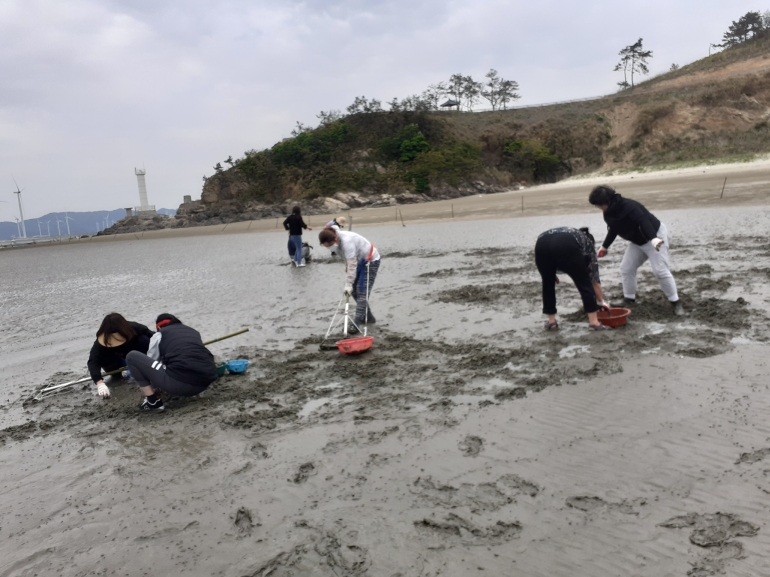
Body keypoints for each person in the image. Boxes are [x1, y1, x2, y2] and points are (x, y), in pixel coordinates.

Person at [588, 185, 684, 315]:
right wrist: (605, 246)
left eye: (599, 205)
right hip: (638, 242)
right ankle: (629, 299)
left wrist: (653, 238)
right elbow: (613, 229)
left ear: (608, 201)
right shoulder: (608, 212)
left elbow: (644, 222)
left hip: (655, 237)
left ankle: (676, 303)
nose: (598, 207)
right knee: (626, 268)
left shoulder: (630, 206)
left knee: (660, 271)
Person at [126, 313, 218, 411]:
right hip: (205, 382)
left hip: (181, 386)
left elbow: (150, 363)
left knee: (132, 356)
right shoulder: (192, 331)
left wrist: (152, 385)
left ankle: (152, 401)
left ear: (159, 328)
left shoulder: (159, 334)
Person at [535, 227, 611, 331]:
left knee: (547, 284)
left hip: (541, 243)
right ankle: (594, 323)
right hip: (566, 245)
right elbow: (594, 279)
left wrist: (550, 274)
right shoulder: (588, 244)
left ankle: (551, 322)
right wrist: (601, 302)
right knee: (584, 283)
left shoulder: (573, 234)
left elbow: (545, 260)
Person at [319, 227, 380, 334]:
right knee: (353, 291)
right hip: (357, 262)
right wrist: (347, 266)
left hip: (370, 260)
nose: (329, 248)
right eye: (326, 247)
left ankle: (356, 323)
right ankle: (368, 316)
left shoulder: (347, 241)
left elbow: (352, 262)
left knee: (362, 291)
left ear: (335, 239)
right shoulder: (336, 244)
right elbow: (346, 258)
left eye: (330, 245)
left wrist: (348, 283)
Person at [88, 313, 154, 399]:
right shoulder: (101, 341)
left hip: (136, 355)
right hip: (115, 360)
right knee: (101, 357)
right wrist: (100, 383)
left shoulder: (135, 328)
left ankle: (142, 368)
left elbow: (157, 337)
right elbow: (93, 361)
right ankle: (117, 376)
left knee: (144, 339)